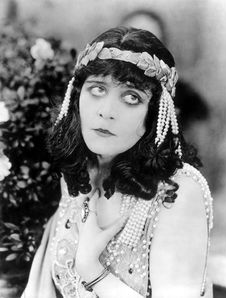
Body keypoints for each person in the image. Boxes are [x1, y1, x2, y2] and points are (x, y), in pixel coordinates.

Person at [21, 26, 213, 298]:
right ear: (76, 98)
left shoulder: (178, 192)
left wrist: (93, 272)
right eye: (97, 89)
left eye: (131, 97)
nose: (107, 111)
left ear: (155, 114)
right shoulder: (78, 173)